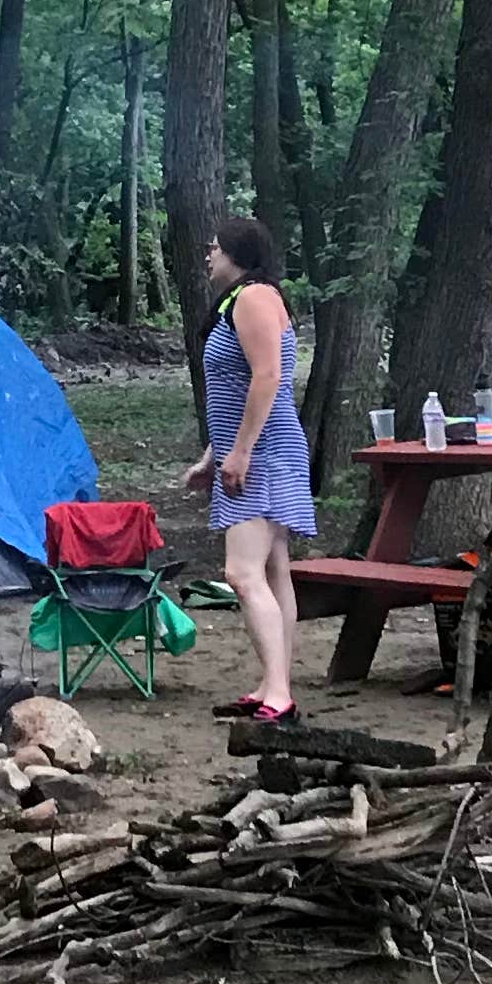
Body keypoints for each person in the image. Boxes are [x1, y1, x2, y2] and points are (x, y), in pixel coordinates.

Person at [185, 212, 313, 723]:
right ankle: (270, 684)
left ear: (238, 253)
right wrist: (213, 456)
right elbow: (236, 390)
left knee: (241, 572)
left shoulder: (255, 297)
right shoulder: (241, 301)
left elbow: (267, 378)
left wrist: (239, 453)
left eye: (215, 247)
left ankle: (280, 695)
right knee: (274, 567)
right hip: (254, 449)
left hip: (266, 453)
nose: (209, 255)